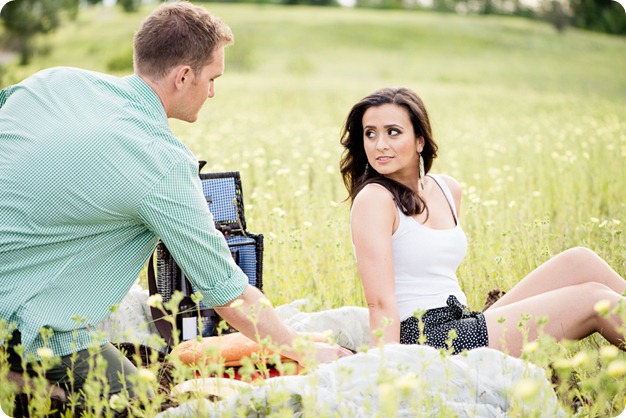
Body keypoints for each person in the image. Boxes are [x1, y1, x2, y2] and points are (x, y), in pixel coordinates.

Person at [0, 0, 351, 403]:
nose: (213, 92)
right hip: (28, 324)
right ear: (184, 76)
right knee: (148, 406)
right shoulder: (161, 161)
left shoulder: (55, 82)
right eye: (212, 78)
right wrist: (305, 350)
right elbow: (230, 294)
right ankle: (18, 382)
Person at [339, 86, 626, 357]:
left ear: (419, 140)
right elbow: (380, 304)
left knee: (580, 261)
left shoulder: (446, 189)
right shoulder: (374, 200)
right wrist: (387, 373)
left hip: (464, 320)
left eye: (393, 132)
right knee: (595, 300)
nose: (380, 145)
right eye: (370, 134)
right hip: (427, 339)